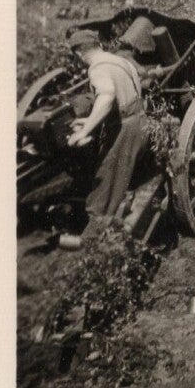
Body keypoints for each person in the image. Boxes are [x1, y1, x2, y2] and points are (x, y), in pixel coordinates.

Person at [63, 26, 152, 242]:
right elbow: (127, 96)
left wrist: (84, 130)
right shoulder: (121, 61)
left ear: (78, 53)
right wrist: (91, 119)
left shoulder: (97, 67)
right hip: (140, 122)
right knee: (123, 179)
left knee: (104, 190)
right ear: (99, 45)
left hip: (125, 131)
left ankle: (93, 246)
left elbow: (107, 96)